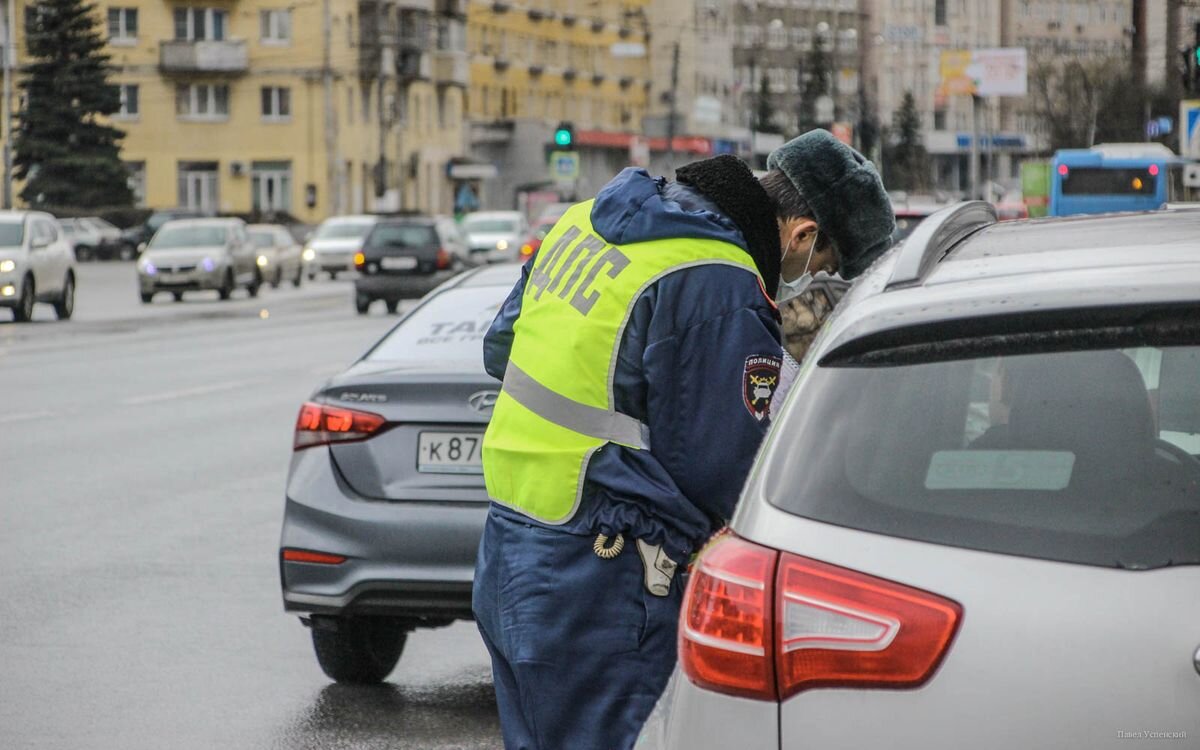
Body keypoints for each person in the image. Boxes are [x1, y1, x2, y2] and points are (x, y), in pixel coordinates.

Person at [473, 130, 895, 750]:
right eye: (822, 265)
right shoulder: (719, 279)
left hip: (510, 539)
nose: (810, 279)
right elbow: (725, 470)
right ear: (803, 234)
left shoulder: (585, 221)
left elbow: (500, 347)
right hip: (603, 573)